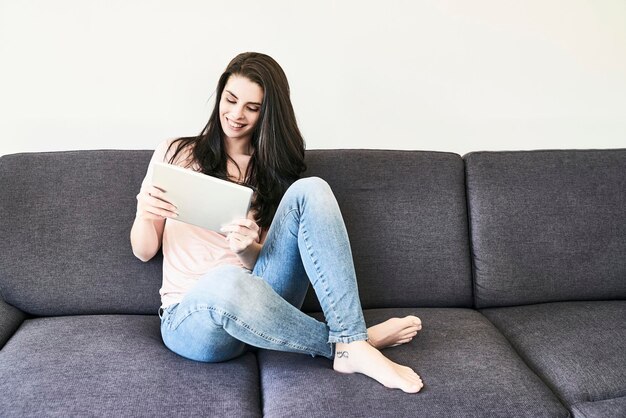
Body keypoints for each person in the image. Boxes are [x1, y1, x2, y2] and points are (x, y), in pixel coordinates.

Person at [130, 52, 424, 393]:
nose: (237, 114)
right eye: (231, 99)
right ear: (219, 96)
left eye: (252, 108)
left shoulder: (270, 171)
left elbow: (269, 265)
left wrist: (247, 249)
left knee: (312, 189)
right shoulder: (176, 152)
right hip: (191, 321)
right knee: (225, 281)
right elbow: (144, 251)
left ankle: (350, 342)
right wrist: (145, 210)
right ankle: (351, 343)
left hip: (261, 309)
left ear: (267, 113)